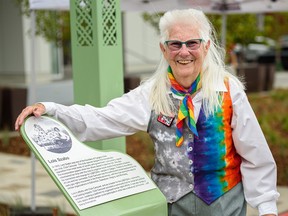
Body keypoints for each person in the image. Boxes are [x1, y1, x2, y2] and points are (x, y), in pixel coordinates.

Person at [15, 8, 279, 216]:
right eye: (175, 44)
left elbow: (255, 153)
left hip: (225, 206)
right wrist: (51, 109)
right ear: (164, 49)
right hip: (170, 206)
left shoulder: (228, 90)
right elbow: (102, 118)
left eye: (192, 43)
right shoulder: (151, 93)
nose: (184, 51)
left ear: (206, 47)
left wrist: (266, 207)